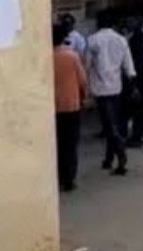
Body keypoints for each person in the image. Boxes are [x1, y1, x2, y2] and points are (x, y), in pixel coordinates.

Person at [86, 8, 137, 176]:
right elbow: (129, 67)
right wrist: (132, 84)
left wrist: (86, 89)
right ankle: (109, 158)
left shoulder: (93, 40)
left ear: (98, 23)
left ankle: (121, 156)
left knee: (109, 125)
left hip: (101, 89)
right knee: (113, 122)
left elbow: (87, 65)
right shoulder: (121, 40)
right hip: (117, 87)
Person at [53, 23, 87, 192]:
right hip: (71, 105)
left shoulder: (45, 58)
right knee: (70, 144)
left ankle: (57, 176)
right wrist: (84, 97)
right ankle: (69, 179)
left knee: (56, 143)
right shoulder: (72, 56)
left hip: (52, 107)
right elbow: (83, 81)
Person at [125, 14, 143, 146]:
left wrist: (134, 81)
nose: (128, 24)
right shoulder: (138, 36)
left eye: (130, 21)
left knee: (138, 108)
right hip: (142, 75)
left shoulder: (138, 38)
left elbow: (138, 61)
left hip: (139, 76)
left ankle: (137, 136)